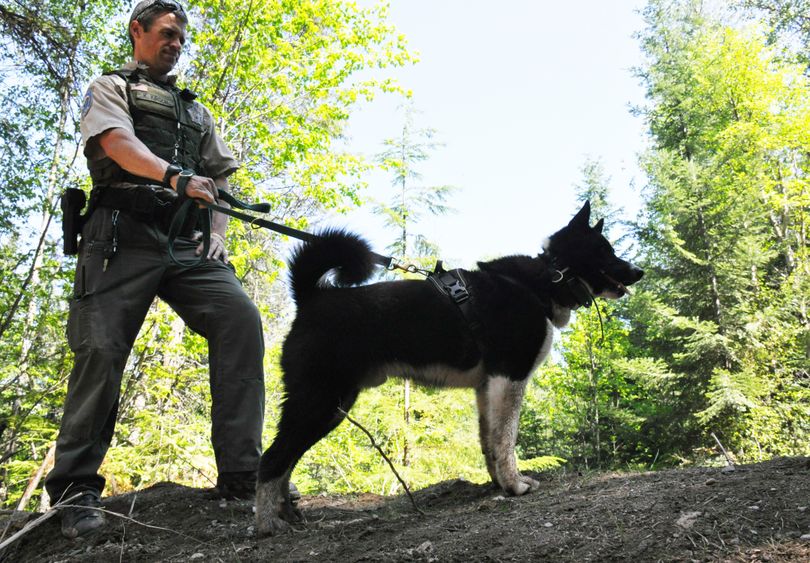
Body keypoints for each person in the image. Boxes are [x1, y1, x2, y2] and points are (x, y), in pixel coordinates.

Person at [46, 0, 266, 538]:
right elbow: (115, 143)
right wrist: (172, 177)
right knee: (100, 350)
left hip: (187, 242)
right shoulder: (111, 87)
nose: (175, 44)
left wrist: (216, 234)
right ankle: (75, 492)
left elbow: (222, 179)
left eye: (181, 38)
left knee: (240, 319)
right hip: (119, 236)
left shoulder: (196, 112)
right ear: (137, 31)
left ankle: (243, 475)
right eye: (166, 33)